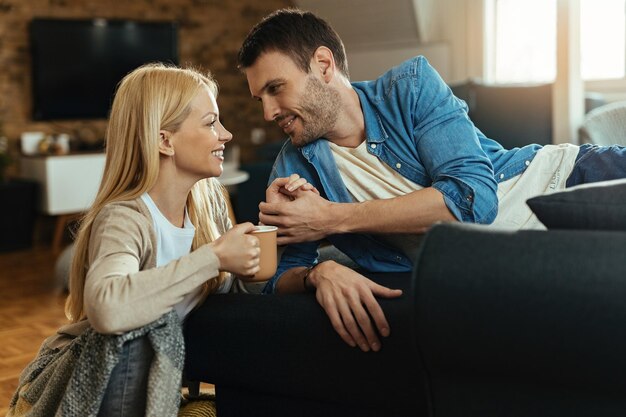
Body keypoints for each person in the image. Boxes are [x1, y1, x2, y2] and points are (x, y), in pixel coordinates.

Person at [237, 8, 626, 353]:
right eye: (260, 100)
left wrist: (333, 218)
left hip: (563, 179)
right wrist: (317, 273)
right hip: (518, 258)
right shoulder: (295, 168)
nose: (268, 112)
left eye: (276, 89)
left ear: (323, 65)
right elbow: (274, 284)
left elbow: (472, 200)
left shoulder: (409, 87)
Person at [8, 63, 312, 416]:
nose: (226, 134)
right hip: (82, 380)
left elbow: (231, 302)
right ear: (164, 140)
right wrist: (213, 257)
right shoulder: (126, 216)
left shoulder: (207, 207)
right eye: (211, 122)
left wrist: (276, 230)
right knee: (138, 328)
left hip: (150, 387)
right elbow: (108, 310)